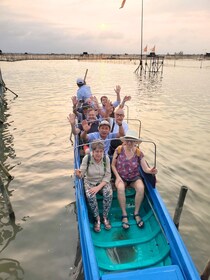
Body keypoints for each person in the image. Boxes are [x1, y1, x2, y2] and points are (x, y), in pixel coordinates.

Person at [111, 130, 157, 230]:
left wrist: (151, 171)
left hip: (134, 177)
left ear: (135, 142)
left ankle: (136, 213)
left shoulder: (138, 153)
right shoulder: (119, 150)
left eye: (132, 141)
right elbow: (113, 165)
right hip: (121, 176)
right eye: (128, 140)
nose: (130, 143)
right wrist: (118, 177)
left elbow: (145, 169)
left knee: (141, 188)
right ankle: (124, 215)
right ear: (125, 141)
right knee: (120, 188)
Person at [75, 141, 113, 232]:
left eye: (101, 151)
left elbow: (108, 175)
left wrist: (98, 187)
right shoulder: (87, 158)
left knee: (108, 193)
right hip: (90, 181)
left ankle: (105, 216)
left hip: (102, 181)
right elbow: (82, 173)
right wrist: (78, 174)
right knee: (90, 195)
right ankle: (97, 218)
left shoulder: (105, 158)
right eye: (96, 151)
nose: (99, 154)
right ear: (92, 151)